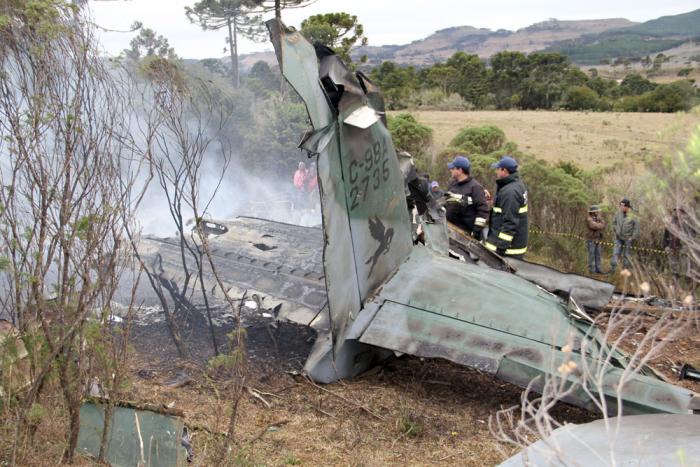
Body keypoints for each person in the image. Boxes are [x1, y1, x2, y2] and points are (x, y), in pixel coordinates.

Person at [485, 155, 528, 259]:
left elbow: (510, 223)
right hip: (511, 247)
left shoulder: (510, 192)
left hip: (508, 251)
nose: (496, 172)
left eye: (498, 169)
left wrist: (499, 251)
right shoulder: (515, 185)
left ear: (504, 170)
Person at [444, 155, 489, 238]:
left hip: (465, 234)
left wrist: (475, 233)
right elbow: (446, 201)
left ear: (460, 170)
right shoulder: (453, 184)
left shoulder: (475, 188)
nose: (451, 170)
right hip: (450, 230)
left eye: (453, 168)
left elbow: (483, 211)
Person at [610, 198, 639, 273]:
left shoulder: (633, 215)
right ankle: (613, 271)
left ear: (627, 207)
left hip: (627, 239)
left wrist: (632, 238)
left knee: (626, 256)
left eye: (622, 206)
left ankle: (624, 273)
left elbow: (636, 228)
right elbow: (613, 223)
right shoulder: (618, 213)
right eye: (620, 205)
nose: (621, 207)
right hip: (618, 238)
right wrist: (616, 230)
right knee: (615, 253)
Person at [585, 205, 606, 274]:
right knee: (591, 255)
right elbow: (594, 226)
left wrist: (599, 224)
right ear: (593, 212)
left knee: (598, 255)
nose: (598, 212)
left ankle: (598, 269)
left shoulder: (598, 218)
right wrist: (599, 225)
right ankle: (592, 270)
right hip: (591, 240)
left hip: (597, 239)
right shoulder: (589, 219)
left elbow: (603, 224)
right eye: (596, 211)